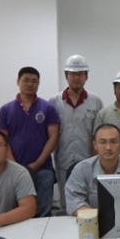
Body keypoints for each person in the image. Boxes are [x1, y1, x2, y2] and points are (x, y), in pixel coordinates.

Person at [0, 66, 59, 218]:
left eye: (34, 81)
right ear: (18, 81)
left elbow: (54, 137)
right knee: (17, 211)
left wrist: (37, 164)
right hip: (14, 170)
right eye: (26, 80)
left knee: (44, 211)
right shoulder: (6, 110)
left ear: (39, 84)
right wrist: (15, 166)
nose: (30, 84)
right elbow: (3, 141)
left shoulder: (48, 108)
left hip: (43, 169)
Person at [49, 55, 103, 215]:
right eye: (72, 74)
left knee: (90, 200)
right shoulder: (54, 101)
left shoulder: (95, 101)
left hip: (88, 160)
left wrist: (96, 159)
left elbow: (98, 133)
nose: (76, 78)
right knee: (66, 203)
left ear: (86, 76)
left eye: (80, 74)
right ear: (66, 76)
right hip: (63, 159)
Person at [66, 124, 120, 215]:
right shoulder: (82, 169)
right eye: (103, 142)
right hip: (93, 221)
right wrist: (101, 218)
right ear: (95, 145)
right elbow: (73, 202)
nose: (108, 147)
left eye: (113, 142)